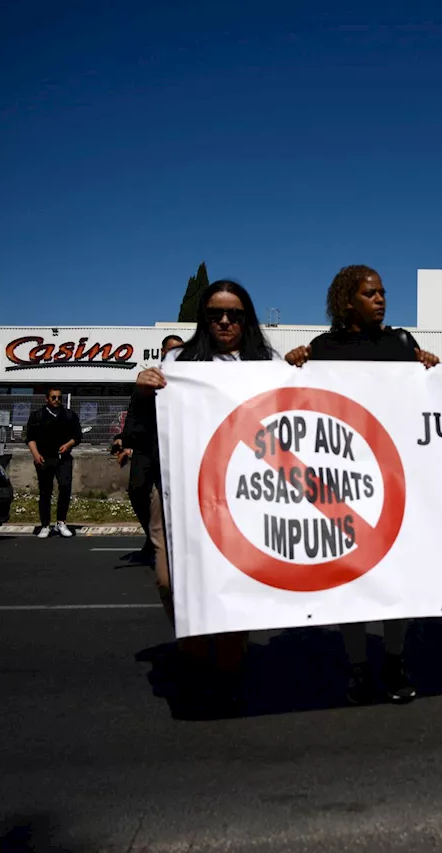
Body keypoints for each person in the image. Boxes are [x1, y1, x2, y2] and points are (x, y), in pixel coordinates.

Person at [285, 265, 438, 705]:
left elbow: (426, 399)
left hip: (394, 475)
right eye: (371, 293)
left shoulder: (400, 343)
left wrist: (427, 366)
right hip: (343, 479)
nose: (381, 300)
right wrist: (293, 366)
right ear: (347, 300)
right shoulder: (323, 348)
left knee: (396, 577)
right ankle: (357, 667)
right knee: (350, 578)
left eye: (383, 293)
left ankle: (394, 660)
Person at [135, 281, 281, 705]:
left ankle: (231, 651)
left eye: (234, 314)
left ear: (246, 318)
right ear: (204, 318)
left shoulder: (266, 362)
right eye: (216, 313)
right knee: (168, 579)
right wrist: (144, 389)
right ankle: (192, 644)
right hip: (179, 487)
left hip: (243, 490)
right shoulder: (179, 361)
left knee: (233, 573)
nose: (224, 321)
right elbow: (151, 417)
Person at [113, 334, 183, 565]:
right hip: (146, 446)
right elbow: (134, 410)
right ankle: (152, 540)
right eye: (171, 350)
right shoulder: (149, 376)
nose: (175, 355)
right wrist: (124, 441)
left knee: (168, 499)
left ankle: (164, 546)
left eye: (179, 351)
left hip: (173, 449)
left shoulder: (188, 378)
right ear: (162, 352)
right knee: (137, 491)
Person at [25, 386, 83, 539]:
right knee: (45, 491)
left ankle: (61, 522)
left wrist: (68, 445)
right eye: (53, 397)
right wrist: (36, 454)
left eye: (59, 398)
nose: (56, 400)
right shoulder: (38, 416)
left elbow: (77, 436)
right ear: (47, 399)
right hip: (44, 458)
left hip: (63, 459)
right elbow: (30, 438)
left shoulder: (69, 415)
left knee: (65, 487)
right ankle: (45, 525)